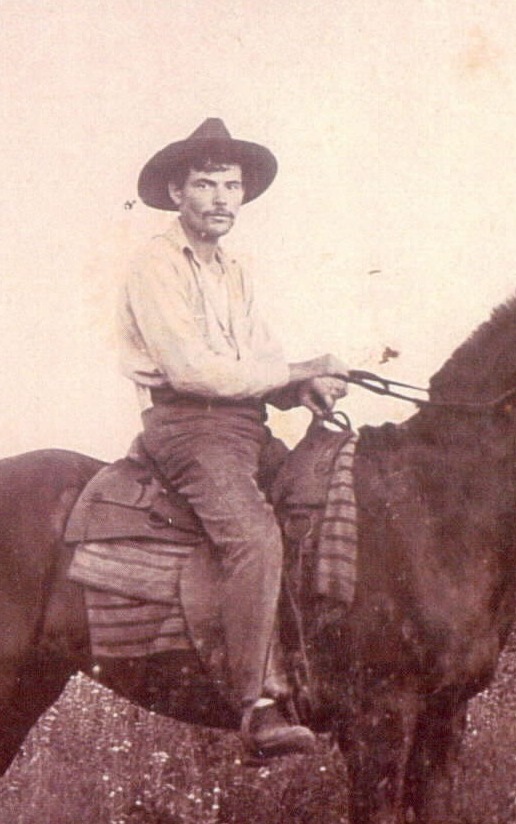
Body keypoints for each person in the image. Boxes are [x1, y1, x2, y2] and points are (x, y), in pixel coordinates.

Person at [117, 118, 350, 759]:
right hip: (188, 427)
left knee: (319, 504)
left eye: (232, 186)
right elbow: (194, 370)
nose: (223, 198)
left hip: (245, 424)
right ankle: (257, 704)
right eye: (206, 184)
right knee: (252, 535)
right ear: (175, 192)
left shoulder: (235, 270)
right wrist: (297, 370)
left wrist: (302, 388)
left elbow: (258, 360)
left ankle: (316, 663)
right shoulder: (155, 266)